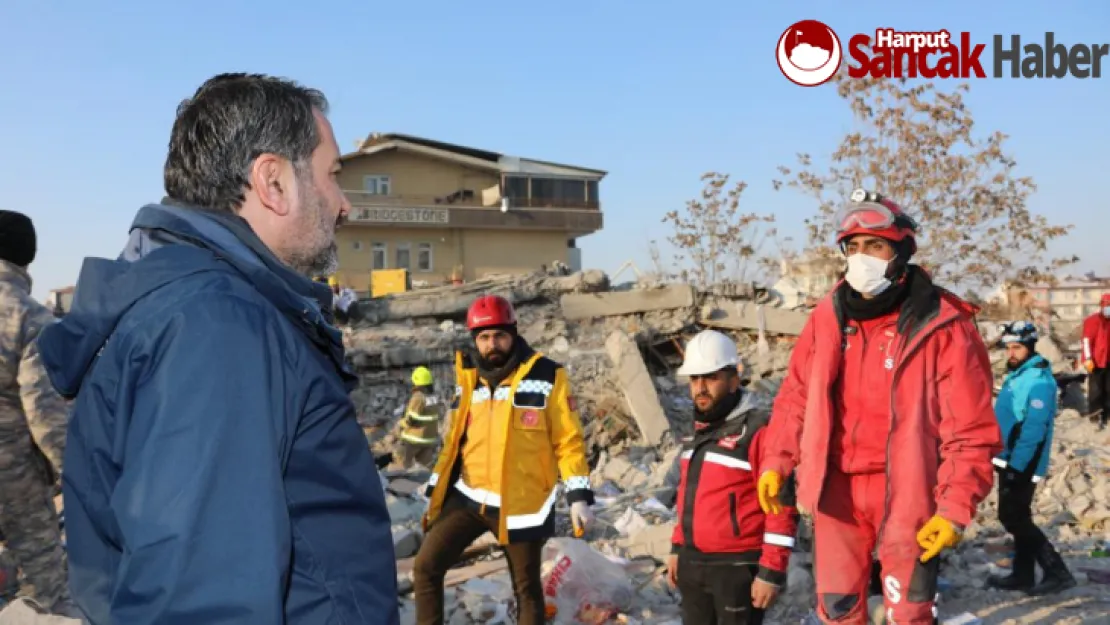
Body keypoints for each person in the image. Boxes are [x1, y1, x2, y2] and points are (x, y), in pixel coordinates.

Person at [36, 73, 398, 625]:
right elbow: (204, 598)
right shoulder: (219, 324)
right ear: (273, 182)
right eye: (332, 176)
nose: (344, 204)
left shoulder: (189, 306)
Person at [756, 189, 1001, 625]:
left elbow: (971, 431)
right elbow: (796, 395)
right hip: (837, 495)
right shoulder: (828, 317)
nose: (861, 257)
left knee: (908, 614)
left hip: (908, 493)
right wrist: (776, 460)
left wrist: (954, 508)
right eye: (852, 248)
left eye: (875, 246)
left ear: (901, 251)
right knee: (837, 612)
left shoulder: (942, 325)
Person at [414, 295, 594, 625]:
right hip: (469, 498)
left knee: (526, 590)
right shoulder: (469, 378)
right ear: (474, 340)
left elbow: (568, 442)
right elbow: (453, 443)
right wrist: (434, 490)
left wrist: (579, 496)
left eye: (499, 335)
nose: (492, 344)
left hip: (521, 503)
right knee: (425, 567)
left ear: (513, 333)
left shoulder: (548, 375)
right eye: (483, 337)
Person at [666, 330, 798, 625]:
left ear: (734, 380)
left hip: (737, 570)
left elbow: (783, 508)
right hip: (692, 565)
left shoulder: (758, 432)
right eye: (694, 379)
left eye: (711, 378)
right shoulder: (696, 430)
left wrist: (771, 572)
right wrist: (677, 547)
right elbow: (689, 494)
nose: (700, 388)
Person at [0, 210, 73, 615]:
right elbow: (45, 416)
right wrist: (73, 471)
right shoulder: (28, 315)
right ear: (28, 255)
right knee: (43, 595)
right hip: (16, 485)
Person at [988, 321, 1076, 594]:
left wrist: (1017, 466)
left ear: (1030, 347)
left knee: (1015, 518)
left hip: (1022, 461)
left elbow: (1033, 430)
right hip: (1009, 458)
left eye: (1017, 348)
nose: (1011, 353)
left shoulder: (1038, 382)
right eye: (1008, 348)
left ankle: (1057, 572)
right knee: (1016, 516)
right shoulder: (1019, 375)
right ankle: (1022, 575)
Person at [399, 366, 443, 469]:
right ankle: (437, 482)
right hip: (429, 439)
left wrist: (400, 424)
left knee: (402, 464)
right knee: (429, 467)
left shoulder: (418, 397)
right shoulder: (433, 397)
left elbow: (411, 420)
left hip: (414, 439)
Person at [1081, 294, 1110, 430]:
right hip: (1095, 361)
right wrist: (1087, 358)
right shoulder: (1092, 321)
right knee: (1096, 390)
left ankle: (1107, 417)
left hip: (1108, 361)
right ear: (1102, 305)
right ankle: (1094, 417)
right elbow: (1086, 341)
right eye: (1107, 305)